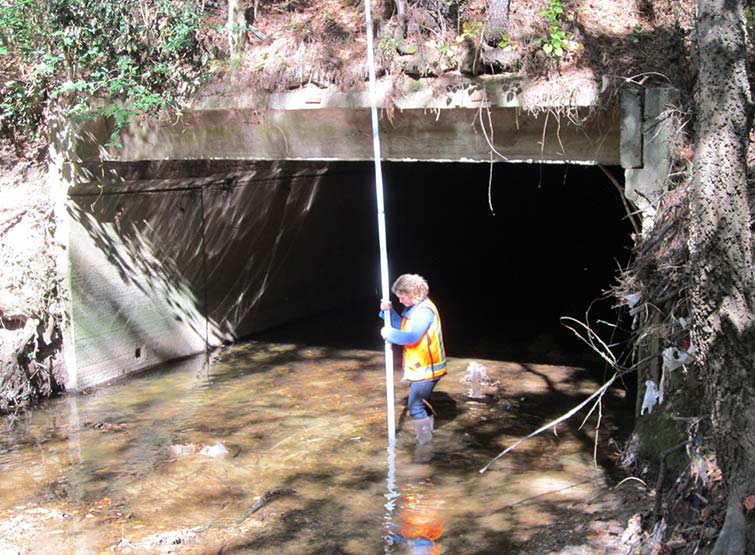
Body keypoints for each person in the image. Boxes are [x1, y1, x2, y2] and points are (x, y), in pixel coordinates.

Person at [379, 274, 446, 445]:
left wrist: (389, 334)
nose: (400, 301)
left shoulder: (424, 311)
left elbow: (412, 337)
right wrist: (387, 312)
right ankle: (430, 432)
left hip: (428, 369)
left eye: (402, 297)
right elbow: (402, 325)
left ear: (413, 293)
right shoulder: (415, 307)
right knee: (421, 402)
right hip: (421, 368)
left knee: (415, 405)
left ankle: (425, 443)